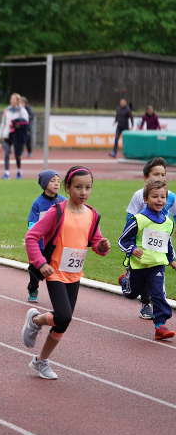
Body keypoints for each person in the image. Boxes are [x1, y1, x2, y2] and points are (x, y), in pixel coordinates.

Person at [22, 166, 111, 379]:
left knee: (64, 321)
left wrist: (102, 247)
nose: (83, 192)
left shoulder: (92, 214)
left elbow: (95, 242)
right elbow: (31, 237)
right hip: (54, 271)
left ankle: (40, 358)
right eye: (78, 187)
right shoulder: (58, 212)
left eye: (88, 188)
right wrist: (41, 262)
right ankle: (36, 323)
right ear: (68, 187)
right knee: (63, 315)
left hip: (75, 273)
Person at [118, 157, 176, 319]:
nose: (160, 178)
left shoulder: (171, 196)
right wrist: (130, 245)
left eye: (163, 174)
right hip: (139, 244)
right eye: (156, 174)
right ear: (146, 177)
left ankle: (155, 313)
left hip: (161, 242)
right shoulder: (139, 195)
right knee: (142, 275)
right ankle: (130, 285)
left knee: (156, 276)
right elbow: (130, 218)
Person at [25, 171, 66, 302]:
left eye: (58, 181)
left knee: (56, 269)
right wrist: (34, 240)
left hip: (57, 244)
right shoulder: (38, 203)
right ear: (44, 184)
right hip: (40, 244)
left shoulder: (63, 201)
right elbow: (32, 223)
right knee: (35, 270)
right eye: (53, 181)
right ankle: (33, 288)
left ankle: (60, 295)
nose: (56, 184)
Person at [0, 93, 29, 179]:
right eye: (11, 99)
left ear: (17, 100)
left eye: (13, 99)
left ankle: (19, 171)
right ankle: (6, 173)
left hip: (17, 135)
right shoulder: (7, 110)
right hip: (7, 134)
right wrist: (1, 134)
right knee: (6, 153)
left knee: (17, 155)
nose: (11, 100)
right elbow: (3, 122)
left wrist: (18, 124)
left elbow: (26, 122)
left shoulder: (22, 110)